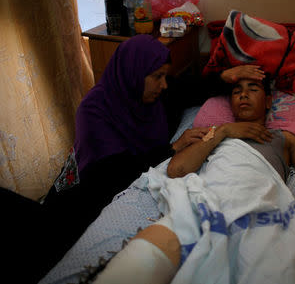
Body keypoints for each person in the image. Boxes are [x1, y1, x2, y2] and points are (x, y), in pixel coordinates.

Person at [1, 34, 267, 283]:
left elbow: (189, 89)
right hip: (80, 197)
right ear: (134, 73)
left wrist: (227, 77)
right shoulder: (94, 111)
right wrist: (172, 147)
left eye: (165, 76)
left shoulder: (156, 96)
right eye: (157, 77)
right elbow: (111, 173)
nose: (164, 84)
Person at [92, 77, 295, 283]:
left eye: (252, 89)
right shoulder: (214, 133)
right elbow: (176, 171)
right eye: (236, 91)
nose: (243, 96)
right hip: (206, 199)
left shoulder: (285, 139)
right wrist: (224, 133)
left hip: (258, 201)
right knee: (139, 261)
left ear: (269, 101)